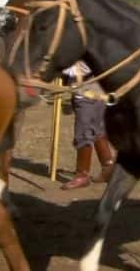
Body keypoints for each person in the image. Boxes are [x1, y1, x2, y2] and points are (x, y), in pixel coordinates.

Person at [60, 61, 115, 190]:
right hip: (97, 87)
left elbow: (77, 69)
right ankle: (108, 167)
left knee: (83, 131)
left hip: (87, 88)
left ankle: (82, 174)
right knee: (97, 128)